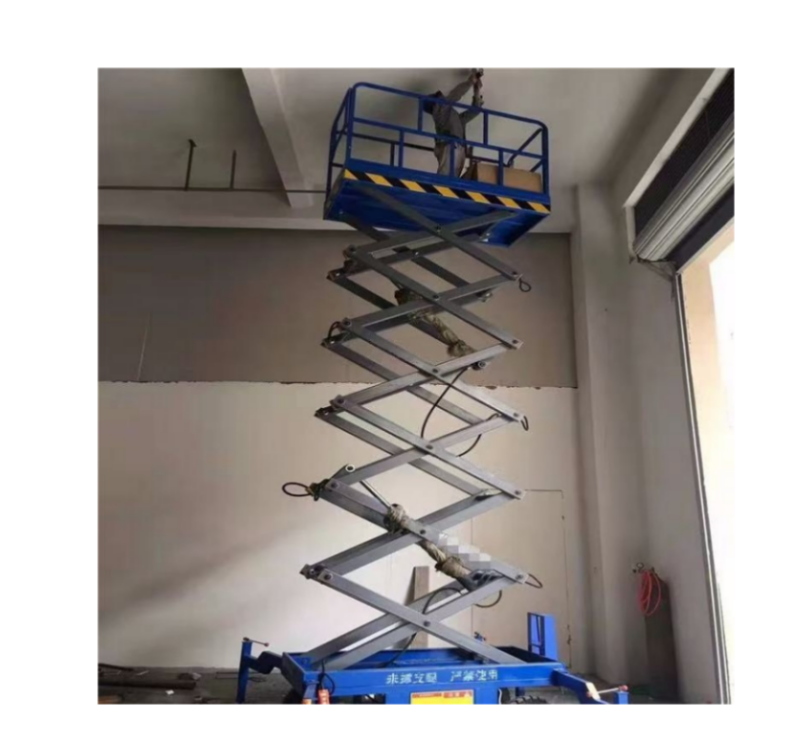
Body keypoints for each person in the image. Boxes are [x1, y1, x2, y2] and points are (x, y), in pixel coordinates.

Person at [423, 70, 484, 177]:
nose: (443, 97)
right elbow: (456, 94)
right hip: (451, 146)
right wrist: (470, 82)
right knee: (444, 182)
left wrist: (476, 91)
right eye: (440, 98)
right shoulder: (440, 109)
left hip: (457, 148)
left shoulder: (454, 118)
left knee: (450, 184)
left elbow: (474, 111)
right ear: (435, 104)